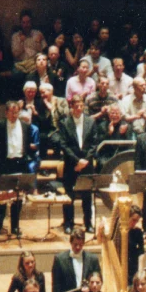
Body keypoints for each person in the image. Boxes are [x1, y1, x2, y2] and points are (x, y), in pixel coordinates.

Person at [0, 100, 39, 237]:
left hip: (19, 164)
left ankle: (15, 226)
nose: (14, 115)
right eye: (12, 112)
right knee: (2, 196)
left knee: (18, 197)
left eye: (16, 112)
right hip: (4, 164)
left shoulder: (25, 126)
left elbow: (27, 146)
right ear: (6, 112)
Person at [57, 95, 100, 229]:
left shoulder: (90, 122)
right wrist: (77, 161)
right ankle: (68, 223)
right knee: (69, 195)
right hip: (71, 164)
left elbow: (94, 143)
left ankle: (88, 223)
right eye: (76, 106)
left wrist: (85, 160)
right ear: (71, 107)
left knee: (87, 195)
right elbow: (63, 145)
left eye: (81, 106)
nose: (79, 109)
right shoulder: (65, 123)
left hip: (86, 164)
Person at [50, 227, 102, 292]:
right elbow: (56, 287)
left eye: (81, 244)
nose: (78, 247)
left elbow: (98, 280)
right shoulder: (59, 259)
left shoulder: (93, 259)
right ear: (70, 242)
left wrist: (90, 288)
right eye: (75, 244)